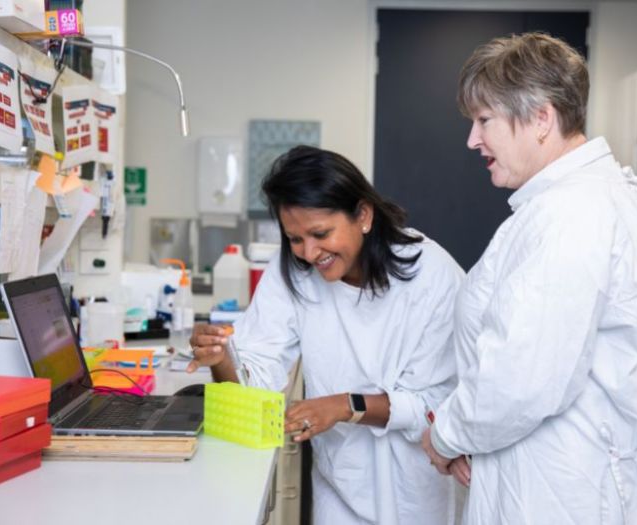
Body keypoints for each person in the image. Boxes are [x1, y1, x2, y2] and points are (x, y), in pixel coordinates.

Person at [422, 32, 637, 524]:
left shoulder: (571, 215)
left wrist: (445, 436)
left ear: (541, 118)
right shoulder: (579, 202)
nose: (473, 140)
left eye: (484, 120)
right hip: (562, 478)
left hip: (561, 492)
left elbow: (520, 380)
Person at [189, 145, 465, 524]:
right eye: (295, 239)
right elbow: (255, 382)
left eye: (320, 233)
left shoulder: (431, 276)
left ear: (363, 215)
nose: (309, 252)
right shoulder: (293, 270)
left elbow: (436, 404)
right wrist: (222, 358)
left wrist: (343, 406)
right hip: (340, 486)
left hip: (416, 491)